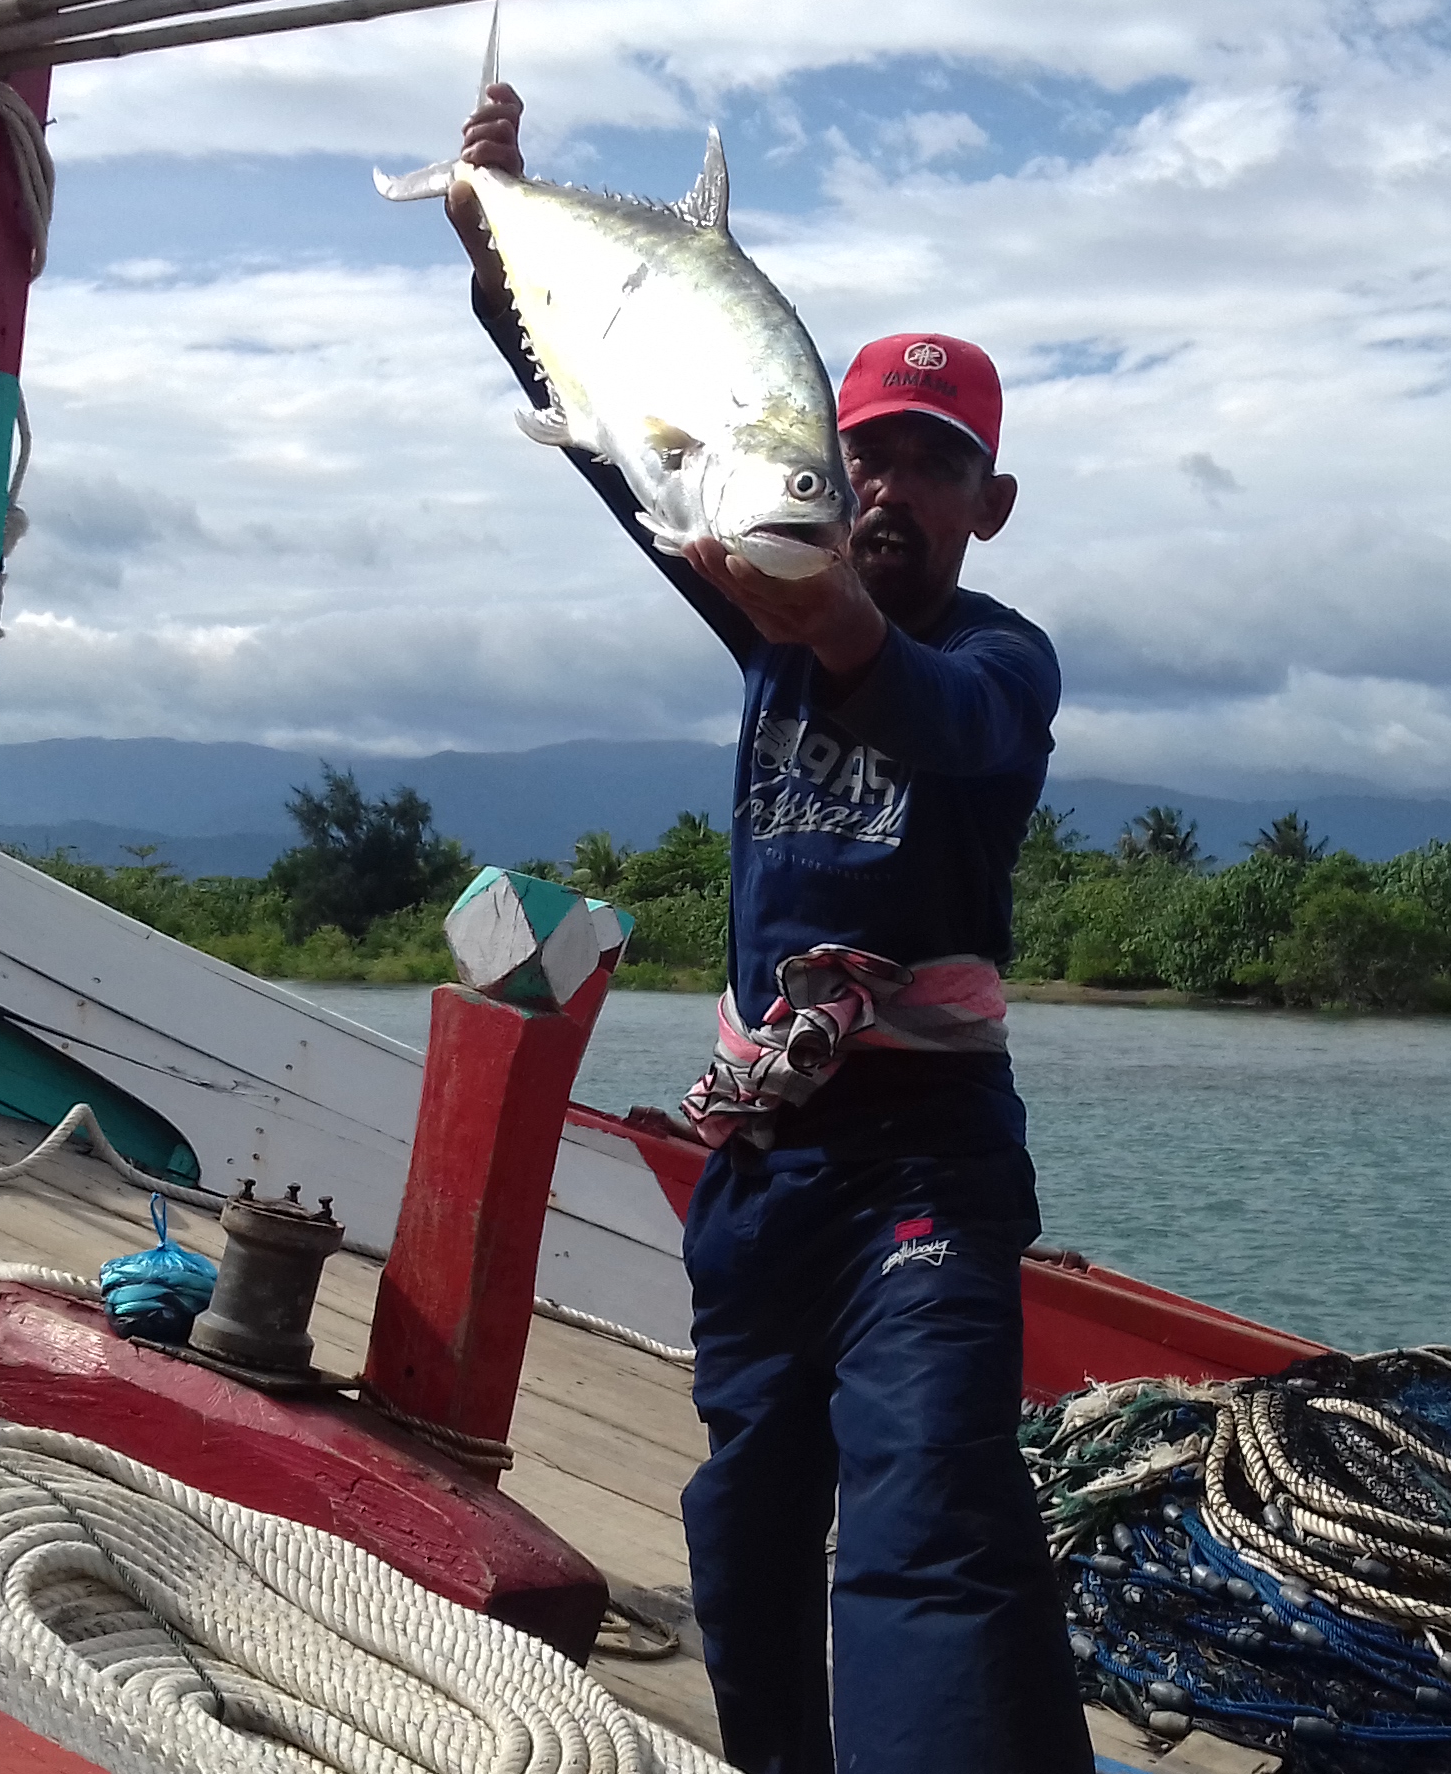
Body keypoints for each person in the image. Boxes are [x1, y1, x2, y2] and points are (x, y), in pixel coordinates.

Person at [446, 86, 1089, 1774]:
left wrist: (832, 619)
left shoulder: (1004, 662)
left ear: (989, 506)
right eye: (863, 447)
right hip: (758, 1171)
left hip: (924, 1164)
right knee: (744, 1528)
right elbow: (604, 435)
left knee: (922, 1509)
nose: (886, 484)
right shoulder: (762, 625)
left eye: (932, 465)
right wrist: (489, 252)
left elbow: (942, 720)